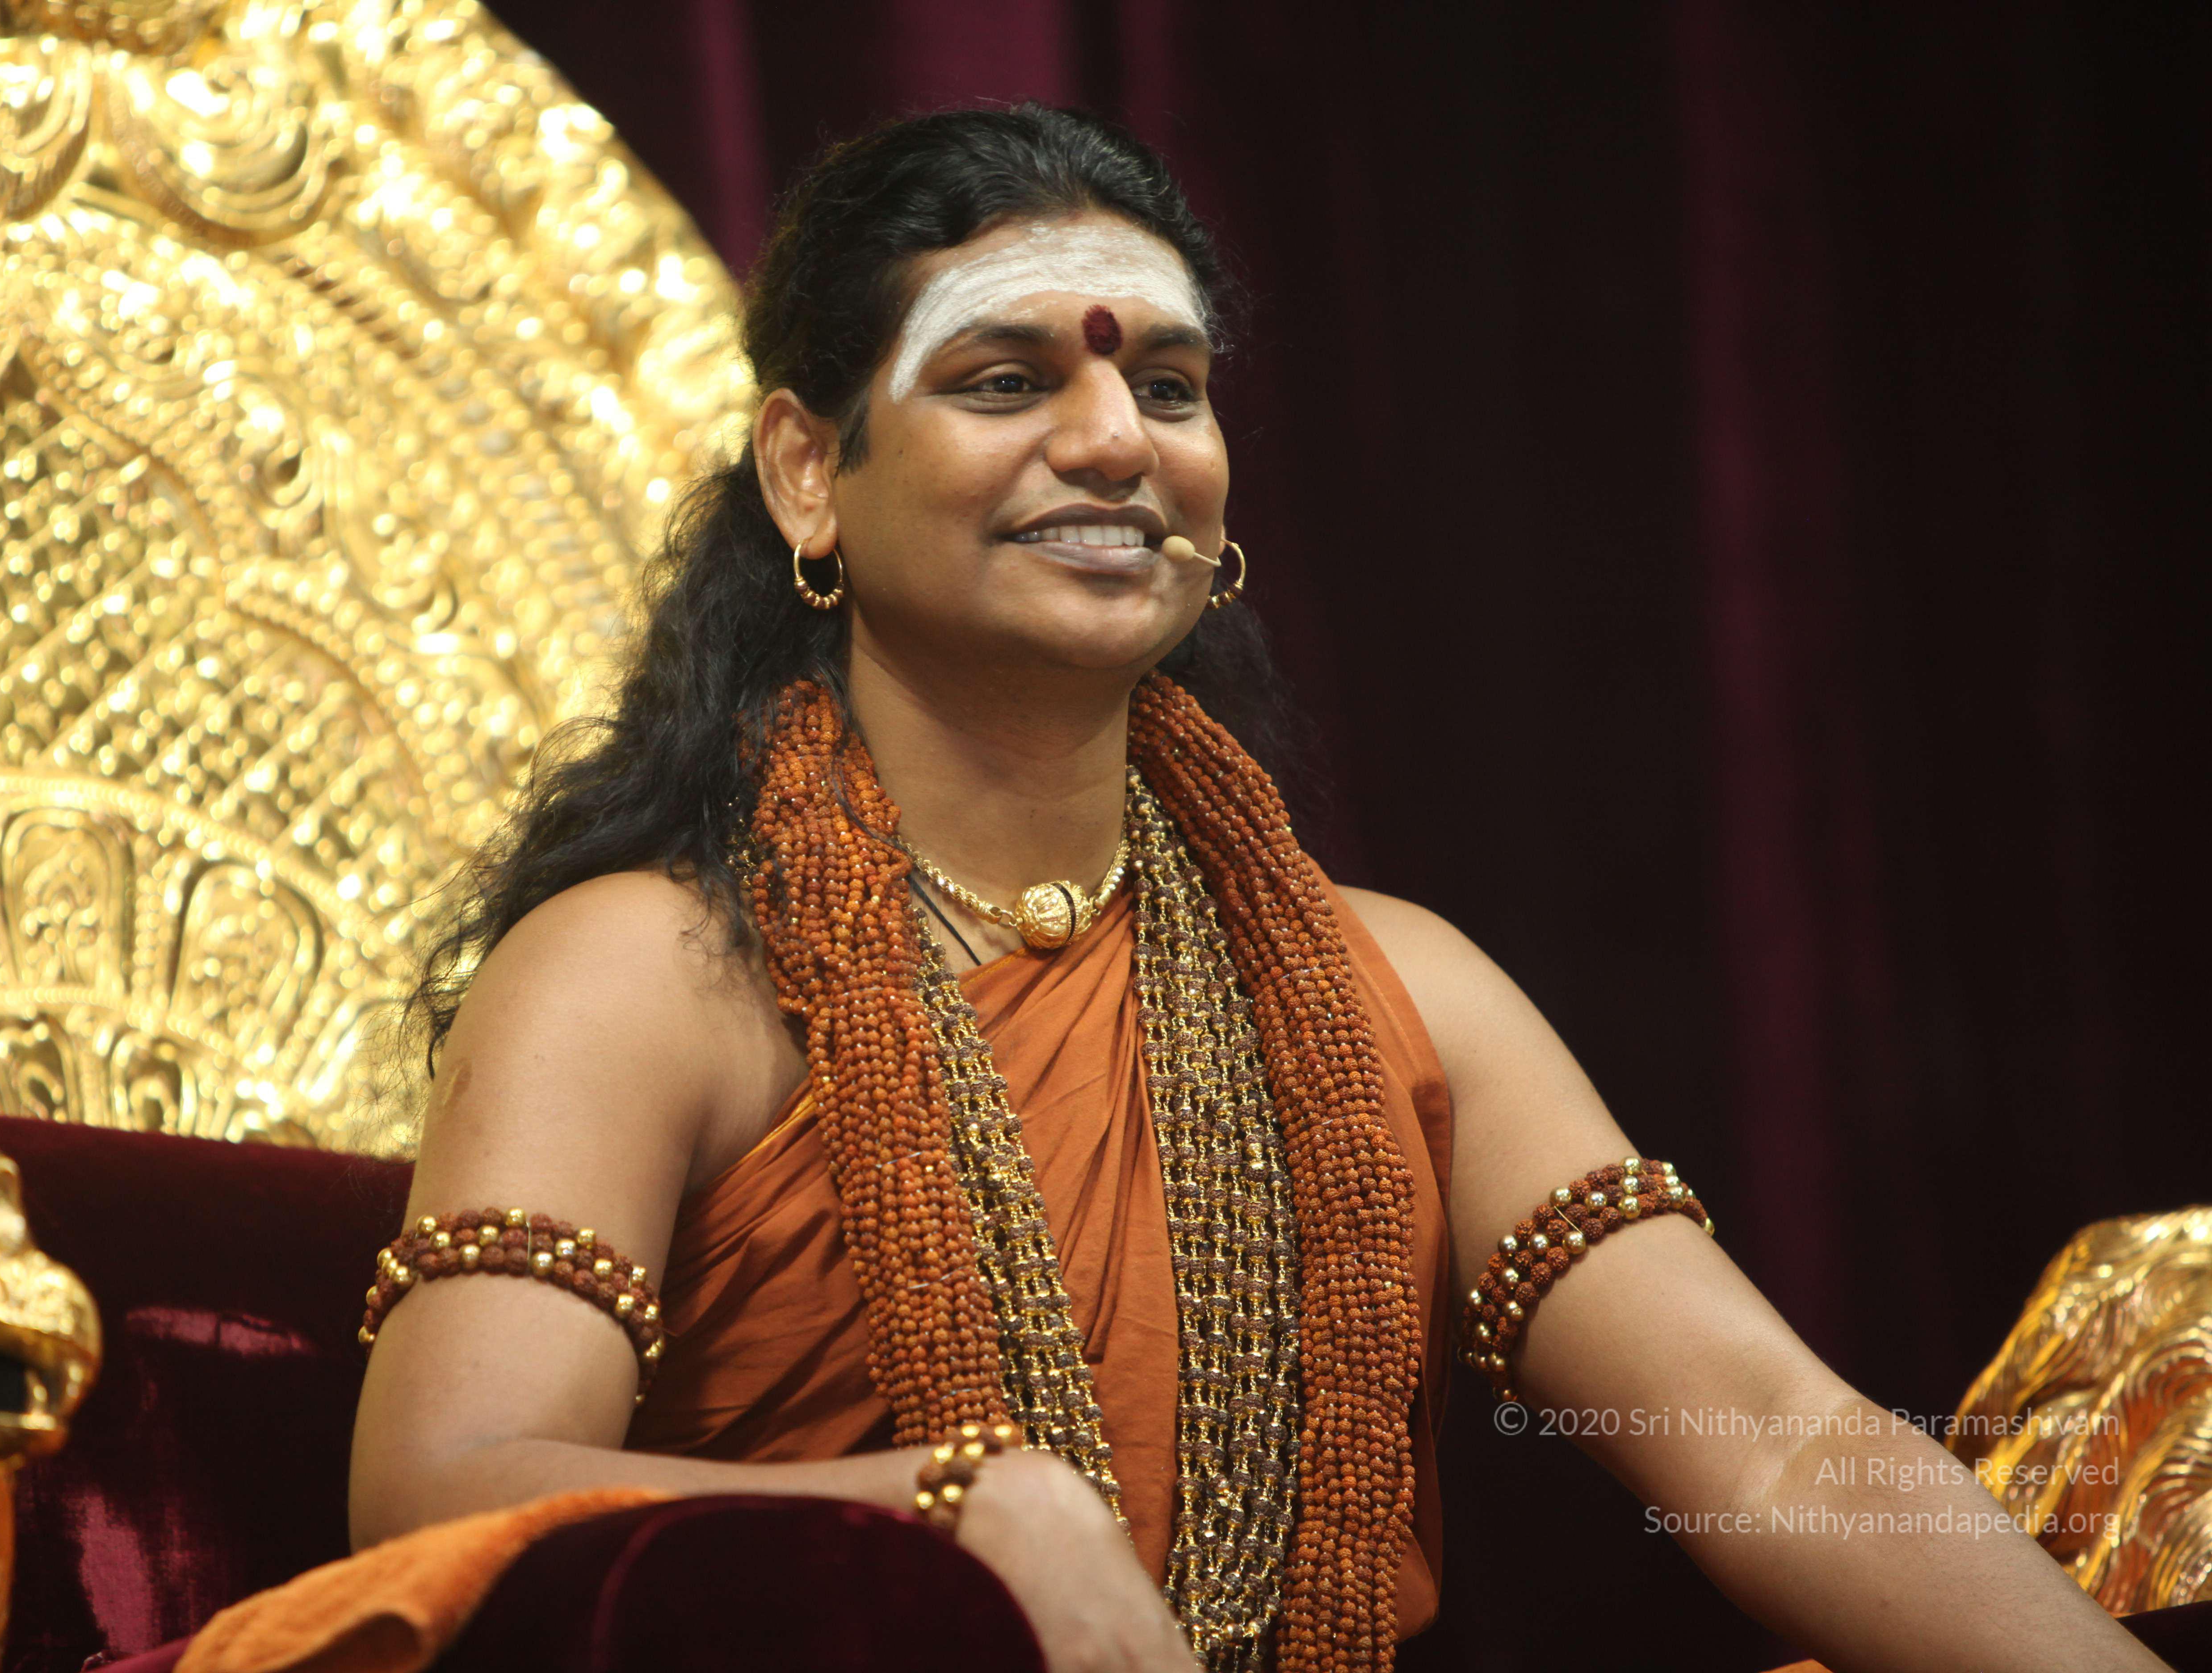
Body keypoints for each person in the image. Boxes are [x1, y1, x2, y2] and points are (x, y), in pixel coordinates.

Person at [347, 105, 2166, 1673]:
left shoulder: (1403, 990)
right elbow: (441, 1485)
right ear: (810, 471)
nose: (1117, 442)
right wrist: (959, 1513)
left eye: (1169, 385)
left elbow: (1766, 1438)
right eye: (1006, 380)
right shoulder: (647, 974)